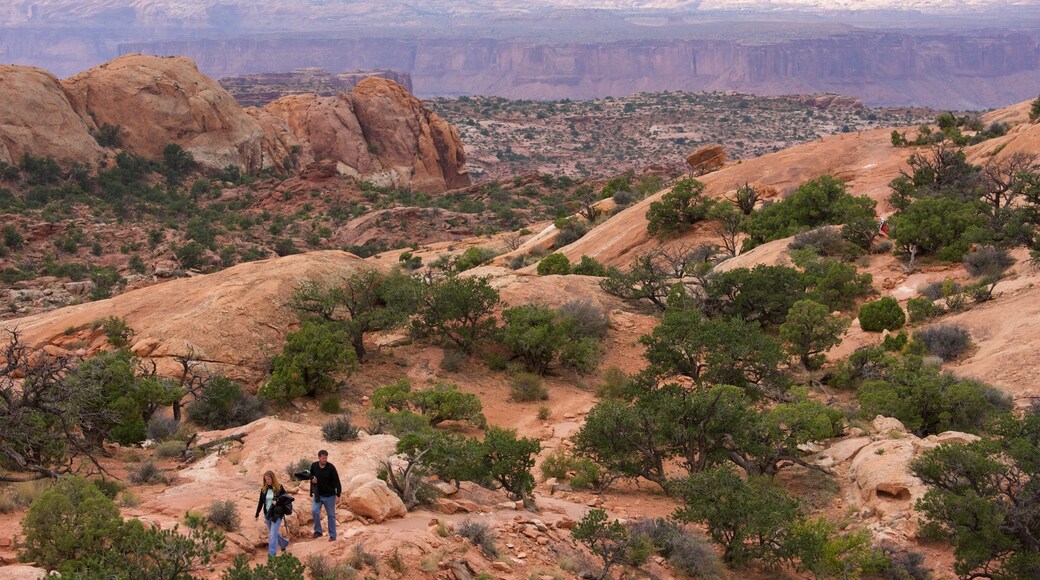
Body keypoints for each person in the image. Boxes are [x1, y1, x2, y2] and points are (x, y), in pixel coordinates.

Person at [254, 470, 290, 557]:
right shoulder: (263, 489)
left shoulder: (279, 488)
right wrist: (257, 514)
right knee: (274, 533)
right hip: (267, 514)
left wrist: (277, 501)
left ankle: (272, 555)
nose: (267, 481)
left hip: (277, 514)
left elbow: (286, 499)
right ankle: (284, 543)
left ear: (273, 479)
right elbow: (260, 502)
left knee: (272, 534)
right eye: (266, 480)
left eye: (269, 479)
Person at [310, 449, 342, 541]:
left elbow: (337, 481)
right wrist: (312, 479)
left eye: (326, 458)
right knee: (315, 511)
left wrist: (338, 495)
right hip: (318, 495)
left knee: (331, 515)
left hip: (329, 496)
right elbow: (310, 476)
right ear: (319, 458)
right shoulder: (314, 466)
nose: (325, 460)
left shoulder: (331, 467)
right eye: (323, 458)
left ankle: (332, 535)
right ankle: (318, 531)